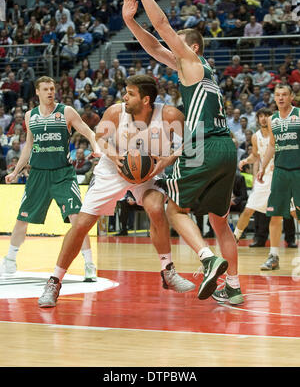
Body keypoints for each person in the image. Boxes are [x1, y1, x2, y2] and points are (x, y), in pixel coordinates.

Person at [120, 0, 243, 305]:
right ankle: (232, 287)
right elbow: (152, 46)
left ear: (192, 48)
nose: (172, 51)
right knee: (221, 223)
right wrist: (130, 22)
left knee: (174, 209)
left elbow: (160, 25)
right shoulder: (198, 71)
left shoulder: (191, 60)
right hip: (226, 149)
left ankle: (207, 260)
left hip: (204, 146)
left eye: (178, 45)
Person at [38, 74, 196, 307]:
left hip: (149, 171)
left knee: (155, 208)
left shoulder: (170, 115)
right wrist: (113, 154)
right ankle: (54, 281)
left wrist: (167, 160)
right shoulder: (115, 112)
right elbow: (99, 138)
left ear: (146, 100)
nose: (124, 97)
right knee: (81, 224)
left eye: (130, 93)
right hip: (112, 170)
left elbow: (195, 140)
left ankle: (167, 271)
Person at [0, 76, 101, 282]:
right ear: (37, 92)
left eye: (52, 89)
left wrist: (96, 147)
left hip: (62, 174)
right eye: (45, 89)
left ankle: (89, 264)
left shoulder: (66, 112)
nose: (50, 92)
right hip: (38, 173)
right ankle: (10, 260)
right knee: (22, 219)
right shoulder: (30, 116)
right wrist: (16, 172)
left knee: (77, 220)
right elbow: (28, 146)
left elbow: (88, 131)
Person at [257, 84, 300, 270]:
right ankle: (273, 256)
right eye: (277, 95)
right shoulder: (272, 120)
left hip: (298, 170)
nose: (281, 98)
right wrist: (262, 166)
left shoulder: (299, 115)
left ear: (291, 97)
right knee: (275, 215)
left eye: (284, 94)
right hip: (280, 172)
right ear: (274, 98)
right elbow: (272, 146)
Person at [233, 108, 273, 244]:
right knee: (249, 209)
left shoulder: (278, 134)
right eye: (260, 116)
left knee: (293, 211)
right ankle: (235, 237)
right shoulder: (256, 136)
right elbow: (255, 155)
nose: (263, 118)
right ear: (257, 119)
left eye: (266, 115)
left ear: (271, 117)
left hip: (281, 175)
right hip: (265, 177)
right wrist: (245, 160)